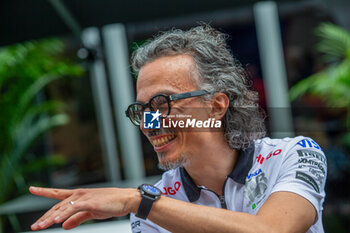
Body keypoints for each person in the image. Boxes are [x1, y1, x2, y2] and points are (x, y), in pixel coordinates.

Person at [29, 25, 327, 233]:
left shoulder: (293, 154)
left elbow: (273, 230)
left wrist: (139, 201)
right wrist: (144, 204)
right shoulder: (158, 201)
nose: (149, 123)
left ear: (216, 105)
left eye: (161, 103)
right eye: (142, 110)